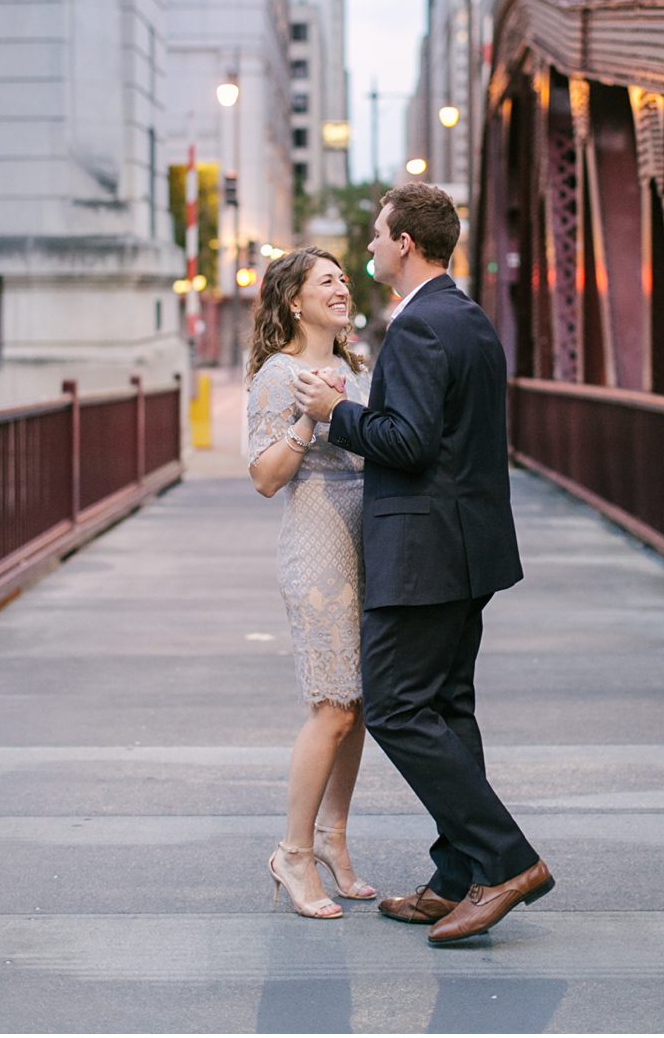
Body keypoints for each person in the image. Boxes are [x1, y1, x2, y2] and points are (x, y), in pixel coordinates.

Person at [294, 182, 554, 944]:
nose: (371, 247)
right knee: (447, 707)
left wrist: (335, 413)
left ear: (405, 242)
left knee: (398, 706)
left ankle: (507, 861)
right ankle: (457, 876)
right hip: (469, 549)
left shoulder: (416, 328)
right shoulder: (469, 319)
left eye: (378, 235)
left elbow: (408, 443)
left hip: (422, 554)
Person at [245, 248, 377, 920]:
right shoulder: (278, 374)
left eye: (344, 278)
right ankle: (293, 853)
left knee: (357, 704)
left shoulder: (359, 368)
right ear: (295, 302)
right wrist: (307, 419)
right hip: (317, 542)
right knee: (332, 705)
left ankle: (333, 837)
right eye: (327, 280)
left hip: (368, 541)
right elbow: (265, 478)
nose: (342, 286)